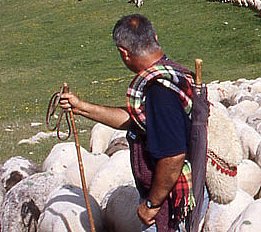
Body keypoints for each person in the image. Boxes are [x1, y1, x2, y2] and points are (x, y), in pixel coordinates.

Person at [59, 14, 198, 231]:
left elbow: (172, 156)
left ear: (124, 53)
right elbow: (135, 121)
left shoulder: (160, 91)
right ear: (155, 37)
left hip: (171, 203)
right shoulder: (172, 72)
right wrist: (81, 107)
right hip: (175, 195)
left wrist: (152, 204)